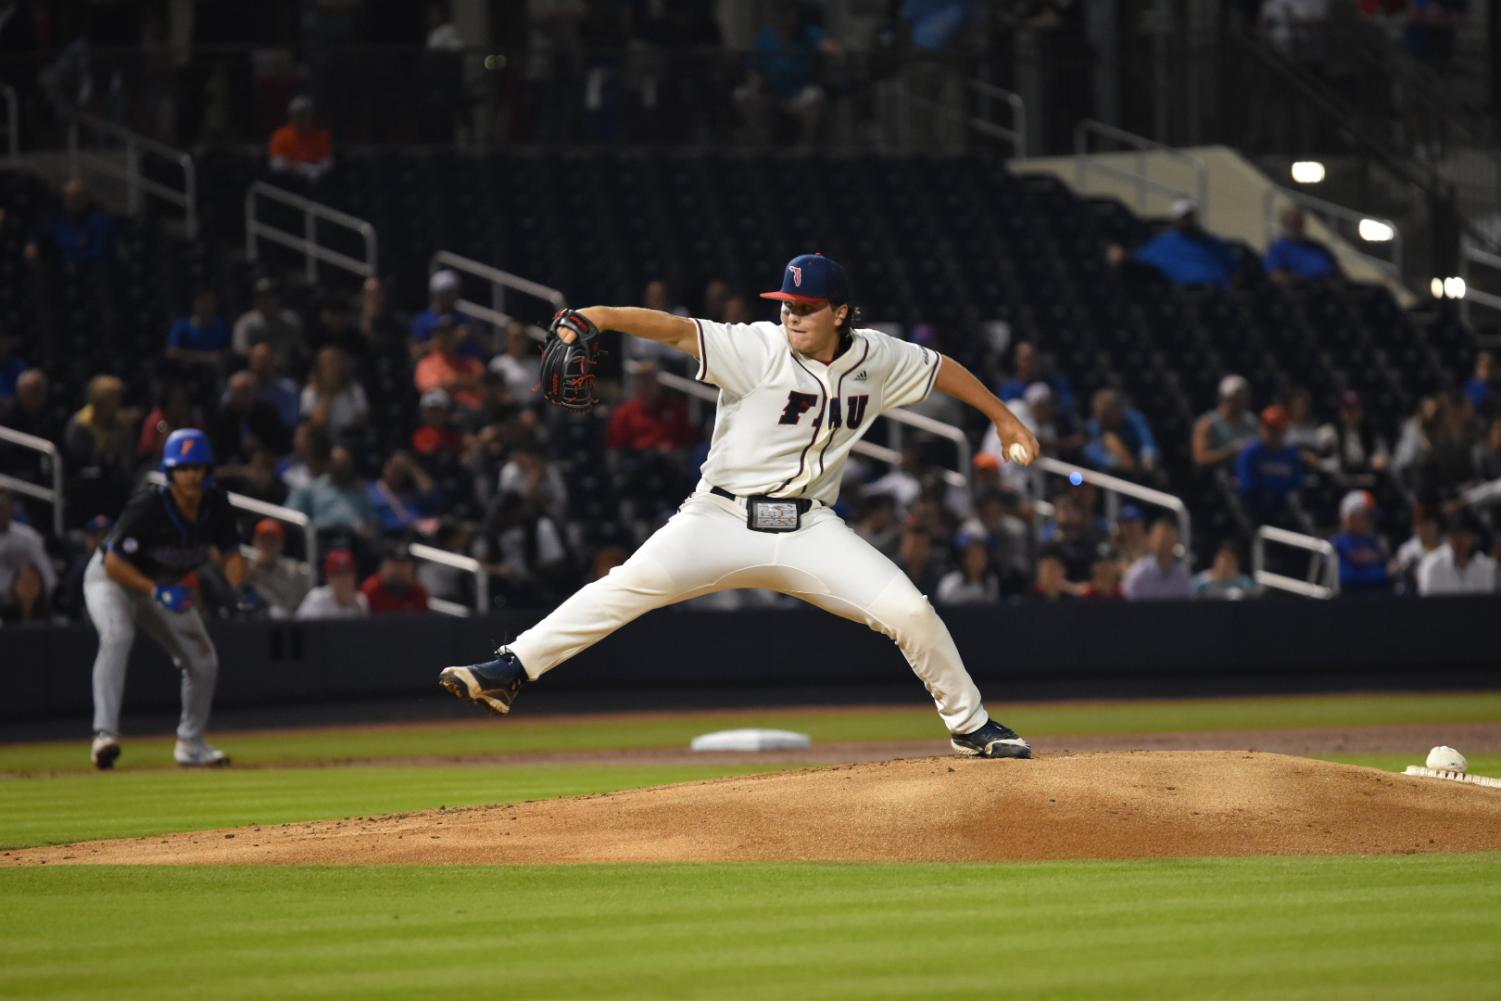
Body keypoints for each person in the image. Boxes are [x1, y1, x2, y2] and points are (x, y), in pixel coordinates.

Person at [439, 253, 1041, 759]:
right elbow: (674, 329)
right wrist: (599, 317)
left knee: (911, 612)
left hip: (809, 528)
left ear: (841, 314)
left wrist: (1005, 417)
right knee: (623, 587)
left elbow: (942, 371)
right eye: (786, 303)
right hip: (719, 519)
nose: (791, 314)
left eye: (805, 307)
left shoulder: (877, 357)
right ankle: (509, 670)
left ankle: (969, 727)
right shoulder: (755, 347)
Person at [84, 429, 246, 769]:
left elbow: (231, 555)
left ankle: (191, 743)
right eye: (183, 468)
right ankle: (104, 735)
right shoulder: (151, 504)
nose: (191, 476)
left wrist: (240, 585)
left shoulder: (216, 504)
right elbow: (114, 561)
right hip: (113, 579)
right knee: (117, 635)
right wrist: (157, 590)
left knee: (203, 660)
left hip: (162, 587)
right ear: (171, 472)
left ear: (207, 471)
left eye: (197, 468)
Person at [1110, 199, 1238, 288]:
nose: (1188, 220)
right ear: (1176, 219)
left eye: (1190, 216)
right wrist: (1122, 256)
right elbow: (1140, 259)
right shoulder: (1163, 244)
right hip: (1187, 299)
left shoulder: (1212, 242)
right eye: (1184, 217)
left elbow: (1233, 267)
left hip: (1219, 296)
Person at [25, 178, 115, 271]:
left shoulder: (98, 221)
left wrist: (76, 261)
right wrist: (33, 243)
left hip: (88, 271)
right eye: (66, 196)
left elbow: (100, 250)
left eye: (74, 196)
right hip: (63, 271)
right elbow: (43, 233)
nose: (69, 200)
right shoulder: (61, 221)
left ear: (84, 198)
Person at [286, 445, 378, 537]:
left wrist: (367, 532)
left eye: (345, 465)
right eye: (338, 464)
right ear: (329, 464)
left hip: (353, 540)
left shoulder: (360, 491)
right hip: (323, 539)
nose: (341, 469)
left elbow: (373, 522)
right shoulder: (313, 488)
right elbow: (291, 513)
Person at [1236, 404, 1304, 525]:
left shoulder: (1291, 454)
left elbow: (1296, 484)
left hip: (1284, 508)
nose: (1270, 432)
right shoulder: (1251, 452)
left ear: (1283, 430)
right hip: (1256, 508)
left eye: (1275, 427)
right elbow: (1248, 487)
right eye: (1267, 427)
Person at [607, 363, 695, 451]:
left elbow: (688, 439)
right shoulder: (624, 412)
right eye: (641, 381)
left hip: (670, 459)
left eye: (649, 380)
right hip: (638, 459)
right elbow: (616, 445)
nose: (645, 386)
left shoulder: (675, 408)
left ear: (657, 383)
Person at [211, 370, 290, 465]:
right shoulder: (222, 416)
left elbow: (280, 443)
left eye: (247, 390)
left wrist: (261, 446)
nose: (244, 396)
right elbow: (218, 449)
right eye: (239, 392)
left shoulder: (268, 412)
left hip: (265, 464)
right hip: (233, 467)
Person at [1417, 512, 1498, 595]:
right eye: (1455, 536)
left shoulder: (1486, 566)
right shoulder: (1431, 565)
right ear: (1448, 537)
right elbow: (1427, 604)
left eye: (1465, 536)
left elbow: (1487, 604)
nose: (1460, 541)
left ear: (1472, 538)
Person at [415, 316, 486, 410]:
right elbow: (428, 388)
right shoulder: (426, 364)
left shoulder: (472, 364)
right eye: (442, 334)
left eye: (450, 334)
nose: (446, 338)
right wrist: (464, 383)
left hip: (475, 413)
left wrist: (456, 381)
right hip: (445, 414)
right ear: (435, 338)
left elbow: (485, 385)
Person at [244, 518, 310, 618]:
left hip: (285, 621)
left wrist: (294, 577)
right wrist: (250, 573)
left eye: (272, 541)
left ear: (281, 545)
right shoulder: (245, 567)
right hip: (254, 619)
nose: (267, 546)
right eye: (263, 540)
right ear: (255, 542)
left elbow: (297, 603)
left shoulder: (291, 569)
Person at [1084, 388, 1160, 475]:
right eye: (1099, 414)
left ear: (1117, 409)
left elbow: (1146, 439)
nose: (1103, 418)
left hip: (1140, 464)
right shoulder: (1093, 426)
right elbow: (1091, 451)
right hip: (1114, 473)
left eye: (1107, 413)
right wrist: (1113, 461)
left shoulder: (1133, 418)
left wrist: (1147, 456)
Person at [368, 451, 445, 536]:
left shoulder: (412, 493)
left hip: (425, 537)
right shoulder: (370, 490)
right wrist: (410, 525)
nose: (395, 474)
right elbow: (372, 523)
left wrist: (413, 468)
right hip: (393, 539)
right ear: (385, 467)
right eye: (394, 468)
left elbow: (436, 500)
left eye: (401, 471)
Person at [300, 346, 369, 439]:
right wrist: (327, 398)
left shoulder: (354, 390)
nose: (331, 370)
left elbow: (362, 421)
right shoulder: (310, 393)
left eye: (335, 364)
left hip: (350, 439)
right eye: (327, 365)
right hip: (323, 441)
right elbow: (316, 425)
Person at [1191, 374, 1259, 469]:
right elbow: (1200, 458)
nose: (1239, 400)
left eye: (1243, 396)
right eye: (1235, 397)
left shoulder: (1253, 421)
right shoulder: (1207, 423)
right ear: (1224, 398)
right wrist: (1230, 452)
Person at [0, 487, 56, 598]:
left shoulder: (28, 537)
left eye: (1, 507)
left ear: (11, 508)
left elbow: (48, 576)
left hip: (21, 603)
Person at [232, 277, 304, 364]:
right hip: (257, 373)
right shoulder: (245, 322)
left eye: (270, 295)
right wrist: (264, 355)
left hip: (287, 370)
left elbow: (301, 348)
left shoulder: (290, 319)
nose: (266, 300)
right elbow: (240, 350)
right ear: (255, 299)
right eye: (262, 296)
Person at [1331, 490, 1391, 593]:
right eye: (1366, 515)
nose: (1370, 520)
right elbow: (1346, 578)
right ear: (1351, 517)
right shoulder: (1340, 543)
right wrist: (1384, 574)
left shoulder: (1372, 541)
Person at [1263, 205, 1340, 283]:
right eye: (1293, 223)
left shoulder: (1318, 247)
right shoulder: (1277, 249)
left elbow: (1338, 270)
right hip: (1307, 289)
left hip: (1334, 285)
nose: (1296, 226)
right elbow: (1277, 276)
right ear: (1285, 224)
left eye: (1299, 222)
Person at [1122, 518, 1194, 600]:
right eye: (1162, 538)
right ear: (1151, 540)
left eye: (1170, 538)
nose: (1166, 543)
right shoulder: (1137, 575)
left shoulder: (1182, 576)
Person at [268, 95, 333, 183]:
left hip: (315, 180)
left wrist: (314, 170)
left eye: (304, 114)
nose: (300, 119)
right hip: (288, 181)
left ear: (311, 116)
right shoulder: (281, 135)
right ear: (291, 116)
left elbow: (327, 163)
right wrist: (302, 168)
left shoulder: (321, 135)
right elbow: (276, 164)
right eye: (298, 115)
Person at [166, 288, 232, 369]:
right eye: (203, 301)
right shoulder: (181, 325)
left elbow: (229, 349)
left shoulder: (221, 325)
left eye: (210, 301)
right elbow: (172, 352)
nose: (207, 305)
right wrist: (204, 357)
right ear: (195, 303)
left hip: (216, 370)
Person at [296, 549, 370, 619]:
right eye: (337, 575)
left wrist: (356, 607)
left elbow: (365, 630)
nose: (343, 580)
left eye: (347, 574)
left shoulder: (360, 601)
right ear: (328, 578)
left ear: (354, 576)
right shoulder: (317, 598)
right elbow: (302, 629)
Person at [360, 543, 431, 614]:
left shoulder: (418, 592)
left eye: (403, 565)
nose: (399, 570)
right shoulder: (371, 589)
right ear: (383, 567)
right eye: (394, 564)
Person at [247, 342, 300, 429]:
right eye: (258, 360)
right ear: (251, 363)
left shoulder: (288, 389)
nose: (262, 365)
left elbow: (291, 422)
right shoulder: (242, 389)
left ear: (274, 361)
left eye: (265, 360)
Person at [1391, 506, 1443, 593]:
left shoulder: (1447, 547)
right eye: (1419, 524)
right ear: (1414, 527)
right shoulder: (1407, 550)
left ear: (1436, 524)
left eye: (1428, 523)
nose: (1424, 528)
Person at [489, 319, 542, 404]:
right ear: (507, 339)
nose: (519, 342)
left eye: (522, 338)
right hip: (509, 409)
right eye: (516, 338)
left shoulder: (536, 364)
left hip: (536, 408)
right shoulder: (497, 364)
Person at [935, 536, 1000, 605]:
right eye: (973, 556)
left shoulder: (992, 582)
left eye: (981, 556)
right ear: (964, 559)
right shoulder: (950, 582)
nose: (977, 561)